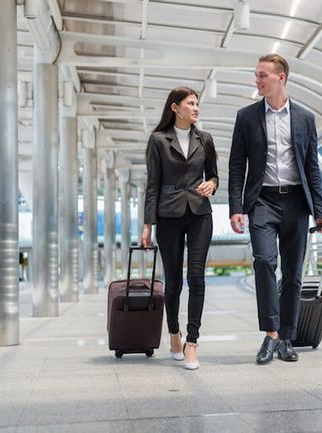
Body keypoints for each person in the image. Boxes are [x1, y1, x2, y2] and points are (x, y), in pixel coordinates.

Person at [229, 54, 322, 364]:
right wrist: (236, 207)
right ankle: (271, 334)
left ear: (280, 78)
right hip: (262, 201)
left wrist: (320, 211)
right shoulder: (246, 117)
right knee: (263, 261)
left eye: (262, 76)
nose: (257, 81)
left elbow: (311, 167)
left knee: (293, 275)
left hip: (297, 202)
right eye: (256, 75)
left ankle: (287, 338)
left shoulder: (304, 118)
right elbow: (237, 165)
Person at [141, 86, 218, 370]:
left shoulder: (205, 139)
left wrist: (213, 184)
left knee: (196, 277)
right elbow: (152, 185)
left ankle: (192, 342)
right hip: (169, 213)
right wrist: (148, 224)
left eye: (197, 103)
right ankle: (174, 333)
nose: (196, 108)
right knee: (174, 281)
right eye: (190, 103)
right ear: (175, 108)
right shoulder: (159, 140)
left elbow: (214, 176)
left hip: (200, 213)